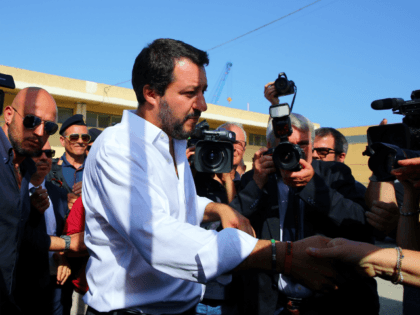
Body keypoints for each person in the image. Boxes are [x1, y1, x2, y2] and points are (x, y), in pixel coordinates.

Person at [82, 38, 340, 315]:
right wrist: (281, 256)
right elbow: (157, 236)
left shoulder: (174, 143)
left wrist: (216, 208)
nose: (202, 105)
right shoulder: (119, 147)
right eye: (191, 92)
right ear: (151, 93)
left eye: (203, 91)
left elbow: (175, 204)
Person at [228, 83, 379, 315]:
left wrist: (312, 186)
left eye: (303, 145)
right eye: (286, 146)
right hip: (269, 305)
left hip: (331, 303)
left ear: (312, 144)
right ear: (270, 147)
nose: (295, 153)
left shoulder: (334, 174)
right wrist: (256, 183)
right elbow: (231, 229)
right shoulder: (256, 177)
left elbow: (361, 227)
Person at [0, 87, 81, 314]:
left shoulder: (25, 169)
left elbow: (19, 235)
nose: (39, 131)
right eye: (31, 120)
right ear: (9, 114)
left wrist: (63, 249)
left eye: (49, 127)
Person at [26, 140, 73, 314]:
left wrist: (62, 257)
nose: (45, 158)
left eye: (49, 154)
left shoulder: (58, 193)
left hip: (57, 282)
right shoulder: (15, 192)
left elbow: (62, 230)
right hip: (25, 283)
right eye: (38, 153)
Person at [47, 114, 90, 209]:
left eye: (85, 138)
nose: (80, 141)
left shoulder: (97, 169)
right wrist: (62, 201)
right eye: (74, 137)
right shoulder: (48, 169)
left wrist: (92, 190)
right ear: (62, 141)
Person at [313, 127, 367, 195]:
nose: (314, 155)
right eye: (311, 150)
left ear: (341, 157)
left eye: (323, 151)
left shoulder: (357, 192)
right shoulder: (298, 187)